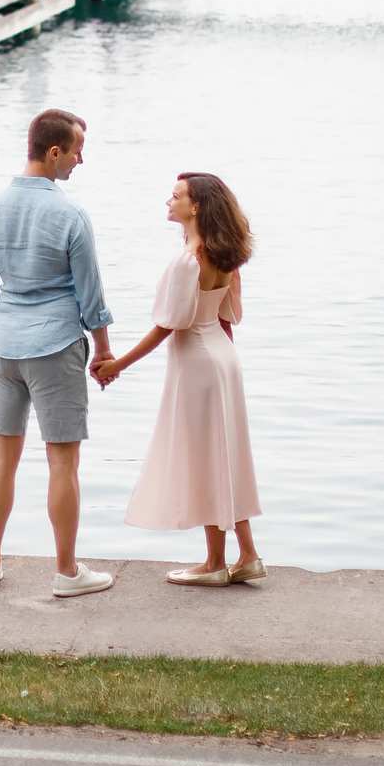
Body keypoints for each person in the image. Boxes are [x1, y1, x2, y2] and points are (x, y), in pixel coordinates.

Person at [0, 108, 116, 597]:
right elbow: (90, 293)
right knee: (62, 463)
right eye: (77, 151)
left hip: (4, 346)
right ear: (54, 151)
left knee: (2, 456)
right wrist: (103, 350)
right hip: (55, 345)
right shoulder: (70, 214)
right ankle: (67, 572)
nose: (80, 160)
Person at [93, 172, 265, 585]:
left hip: (198, 363)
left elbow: (168, 326)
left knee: (205, 456)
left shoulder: (189, 259)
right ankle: (248, 555)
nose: (168, 202)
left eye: (176, 196)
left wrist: (118, 364)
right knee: (227, 453)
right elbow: (226, 318)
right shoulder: (227, 255)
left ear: (197, 206)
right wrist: (224, 363)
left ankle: (214, 564)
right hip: (223, 357)